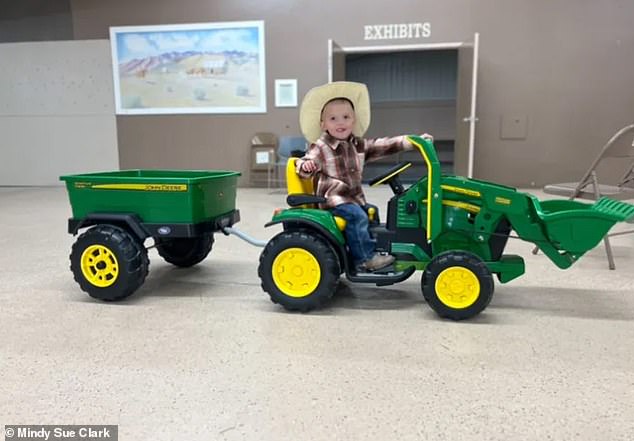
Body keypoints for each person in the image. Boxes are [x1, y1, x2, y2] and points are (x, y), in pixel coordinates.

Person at [296, 81, 432, 272]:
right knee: (357, 217)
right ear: (323, 124)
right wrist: (305, 166)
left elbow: (384, 145)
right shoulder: (320, 147)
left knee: (372, 212)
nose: (340, 122)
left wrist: (412, 142)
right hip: (335, 200)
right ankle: (365, 259)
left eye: (346, 117)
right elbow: (303, 163)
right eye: (333, 118)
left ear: (353, 120)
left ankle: (370, 249)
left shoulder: (357, 145)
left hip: (354, 199)